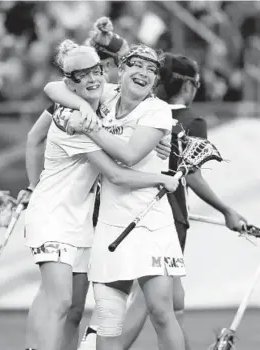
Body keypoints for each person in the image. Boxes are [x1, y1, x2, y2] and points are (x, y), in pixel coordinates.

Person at [77, 52, 245, 350]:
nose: (143, 72)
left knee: (160, 310)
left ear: (157, 80)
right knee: (111, 317)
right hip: (111, 223)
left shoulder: (157, 111)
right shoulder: (104, 102)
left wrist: (89, 129)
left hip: (152, 224)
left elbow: (127, 159)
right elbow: (59, 87)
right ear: (121, 70)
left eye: (151, 69)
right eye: (136, 65)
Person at [21, 23, 170, 350]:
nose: (93, 79)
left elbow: (136, 68)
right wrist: (162, 179)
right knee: (57, 302)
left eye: (97, 72)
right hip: (53, 217)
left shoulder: (102, 97)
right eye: (83, 76)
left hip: (81, 221)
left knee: (73, 308)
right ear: (70, 83)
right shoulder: (70, 117)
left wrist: (164, 136)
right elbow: (118, 172)